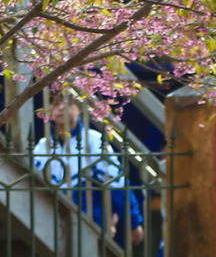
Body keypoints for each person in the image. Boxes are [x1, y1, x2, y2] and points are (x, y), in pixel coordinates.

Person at [32, 97, 144, 247]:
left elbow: (116, 183)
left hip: (91, 217)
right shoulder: (42, 146)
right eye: (55, 103)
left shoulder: (94, 140)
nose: (60, 108)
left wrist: (132, 222)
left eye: (67, 103)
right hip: (52, 217)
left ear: (79, 108)